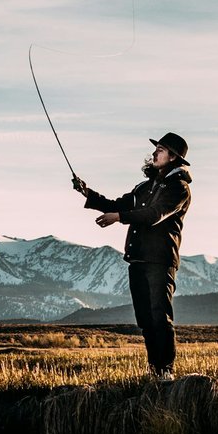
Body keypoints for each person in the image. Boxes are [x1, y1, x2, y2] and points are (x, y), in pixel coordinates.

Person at [73, 132, 192, 381]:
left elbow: (154, 214)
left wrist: (119, 218)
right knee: (145, 319)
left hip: (160, 260)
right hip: (137, 258)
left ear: (173, 157)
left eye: (160, 149)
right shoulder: (143, 187)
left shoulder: (179, 188)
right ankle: (155, 371)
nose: (154, 153)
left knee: (160, 316)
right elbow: (117, 204)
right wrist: (87, 193)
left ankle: (166, 371)